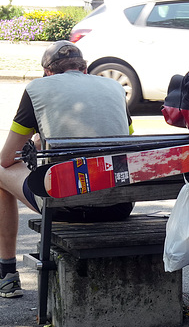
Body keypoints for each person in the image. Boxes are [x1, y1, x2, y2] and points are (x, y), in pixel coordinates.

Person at [0, 41, 134, 298]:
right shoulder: (114, 87)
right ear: (83, 69)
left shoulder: (37, 88)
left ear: (48, 72)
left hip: (64, 205)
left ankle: (6, 274)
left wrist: (35, 144)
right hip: (118, 205)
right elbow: (126, 142)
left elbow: (7, 159)